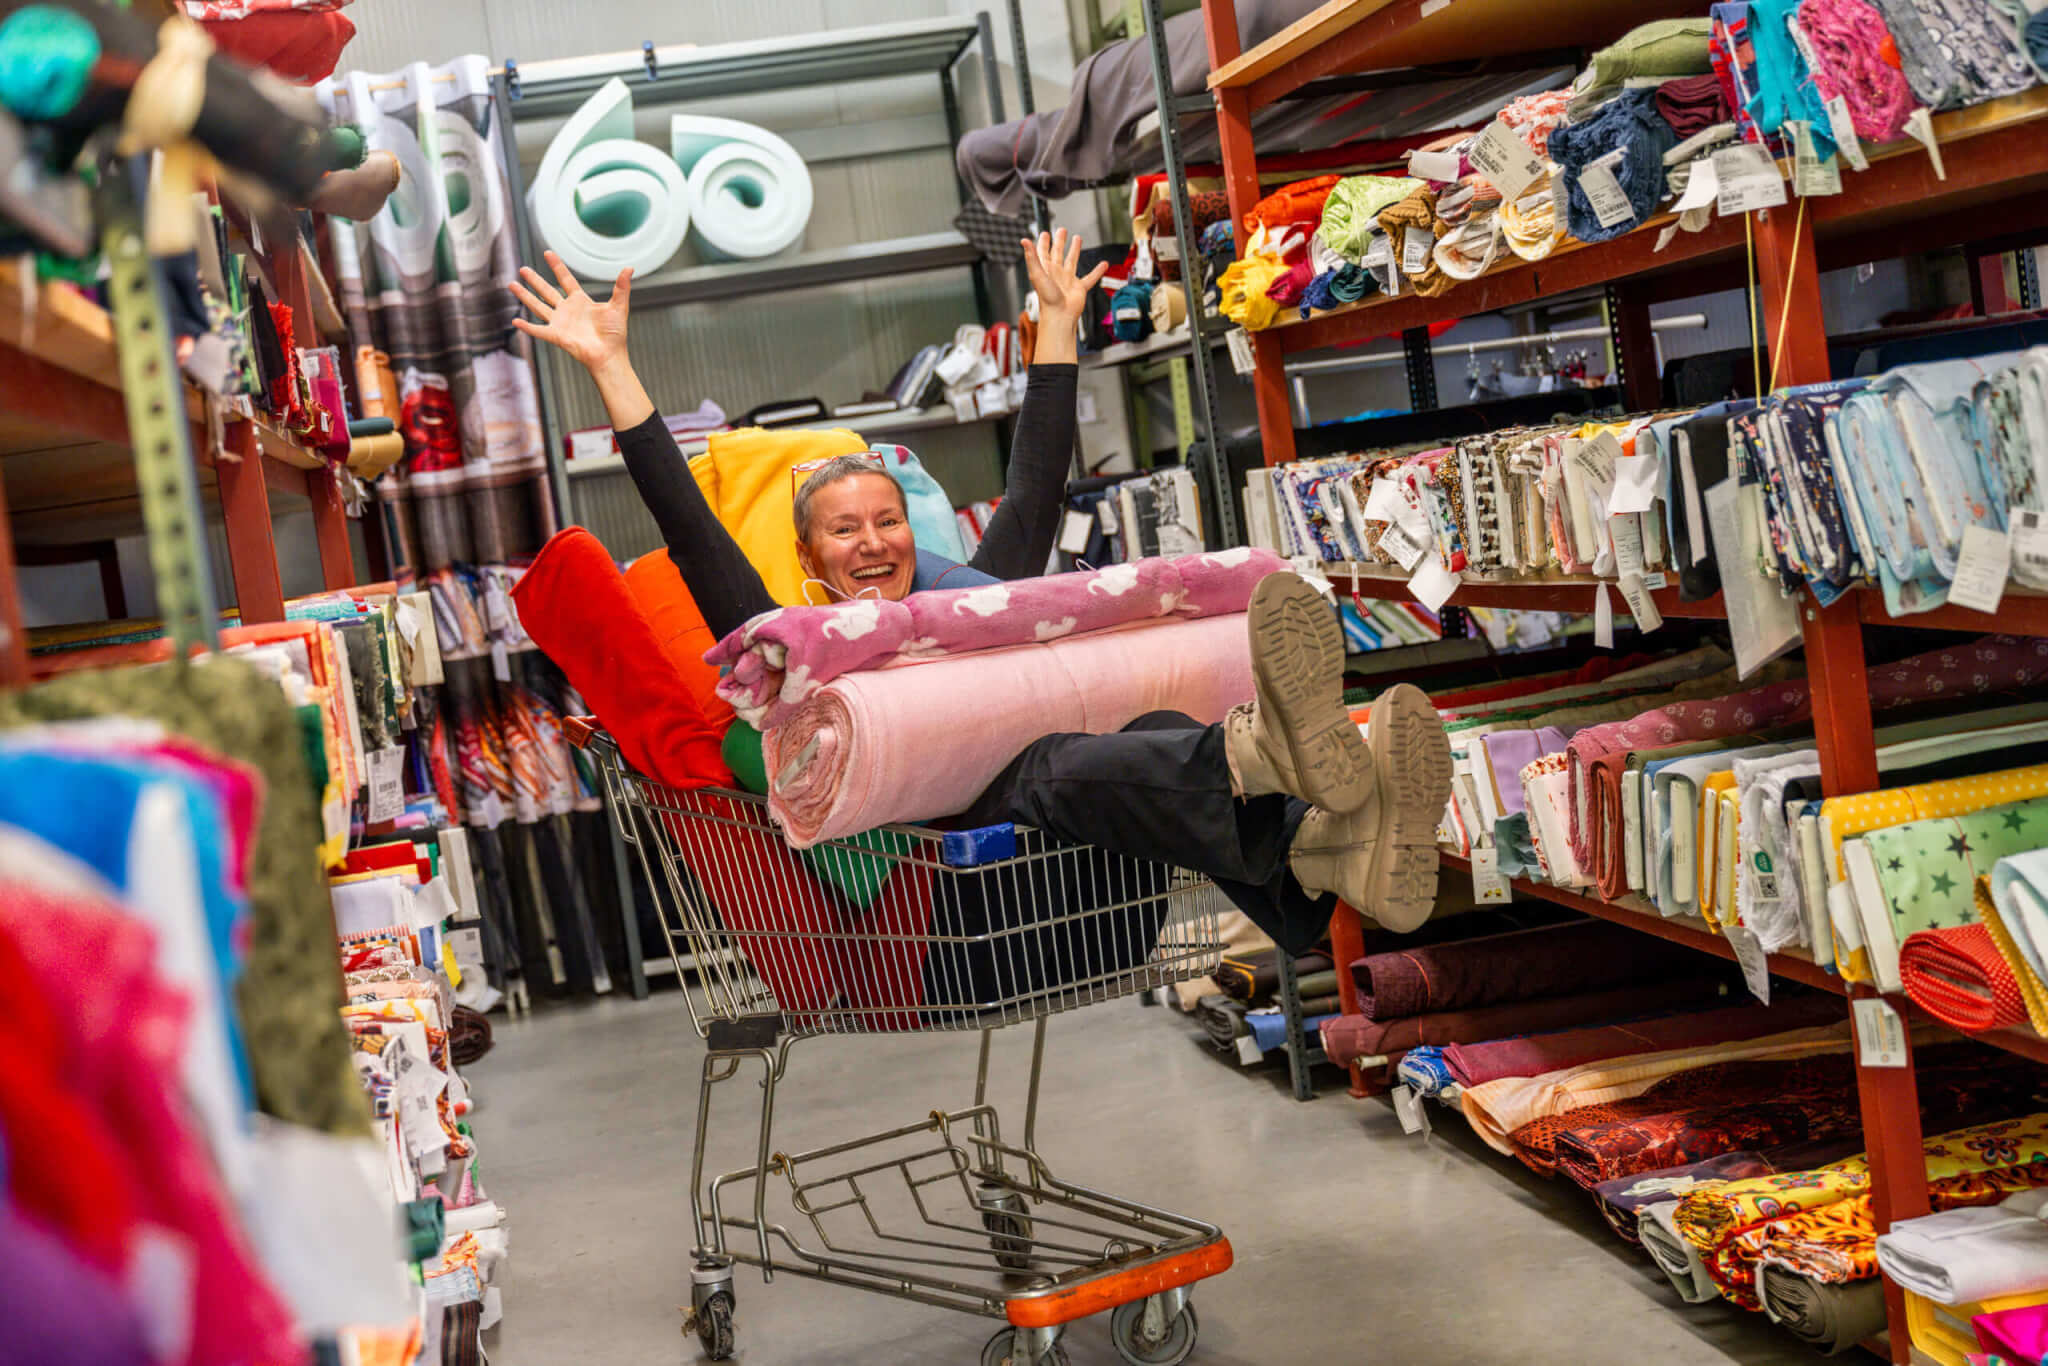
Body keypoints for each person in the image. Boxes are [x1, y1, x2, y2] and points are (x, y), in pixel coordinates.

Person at [509, 236, 1452, 946]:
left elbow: (1035, 488)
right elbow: (692, 530)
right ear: (810, 558)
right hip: (944, 911)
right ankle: (1262, 754)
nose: (873, 541)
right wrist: (611, 368)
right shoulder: (789, 648)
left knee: (1138, 735)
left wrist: (1053, 326)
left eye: (888, 521)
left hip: (1064, 871)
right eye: (845, 529)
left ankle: (1319, 847)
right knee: (1047, 764)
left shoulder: (961, 611)